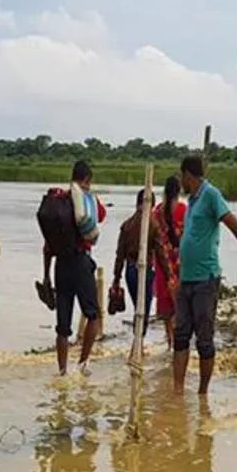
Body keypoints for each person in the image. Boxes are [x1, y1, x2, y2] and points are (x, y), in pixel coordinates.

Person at [173, 156, 237, 397]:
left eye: (182, 176)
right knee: (181, 336)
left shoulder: (211, 195)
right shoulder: (192, 200)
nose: (181, 181)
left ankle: (202, 394)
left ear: (188, 175)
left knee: (204, 339)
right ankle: (177, 392)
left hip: (205, 279)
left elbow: (232, 223)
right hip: (186, 279)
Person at [42, 161, 106, 376]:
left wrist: (46, 276)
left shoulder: (58, 205)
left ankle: (62, 371)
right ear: (87, 179)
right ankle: (83, 363)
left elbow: (47, 247)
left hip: (60, 266)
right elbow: (100, 216)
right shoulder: (86, 201)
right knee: (93, 315)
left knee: (63, 325)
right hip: (80, 263)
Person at [112, 189, 168, 340]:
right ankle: (139, 340)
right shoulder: (153, 225)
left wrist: (116, 278)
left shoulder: (127, 225)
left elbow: (120, 255)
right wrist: (169, 275)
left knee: (138, 307)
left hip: (130, 270)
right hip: (146, 270)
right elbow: (160, 254)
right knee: (144, 309)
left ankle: (138, 340)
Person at [151, 177, 187, 349]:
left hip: (162, 264)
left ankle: (170, 343)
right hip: (179, 263)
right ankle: (178, 344)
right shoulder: (183, 210)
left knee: (167, 310)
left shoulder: (156, 211)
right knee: (179, 306)